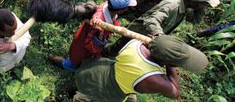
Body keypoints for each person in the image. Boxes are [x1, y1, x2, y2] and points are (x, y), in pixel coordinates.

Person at [74, 35, 208, 102]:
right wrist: (171, 66)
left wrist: (161, 45)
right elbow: (175, 93)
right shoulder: (154, 78)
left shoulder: (135, 43)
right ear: (166, 61)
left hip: (94, 69)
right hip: (102, 91)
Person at [105, 0, 220, 57]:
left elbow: (195, 21)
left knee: (127, 54)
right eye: (204, 4)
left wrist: (200, 8)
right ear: (194, 2)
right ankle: (97, 55)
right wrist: (159, 35)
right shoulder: (172, 6)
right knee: (116, 50)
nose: (205, 6)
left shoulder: (186, 7)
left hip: (147, 36)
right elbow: (152, 19)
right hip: (139, 32)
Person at [49, 0, 140, 72]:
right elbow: (93, 47)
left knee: (77, 57)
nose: (128, 9)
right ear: (120, 11)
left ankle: (65, 62)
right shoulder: (99, 24)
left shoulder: (107, 5)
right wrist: (100, 35)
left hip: (83, 38)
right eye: (127, 7)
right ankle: (62, 63)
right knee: (77, 62)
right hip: (83, 46)